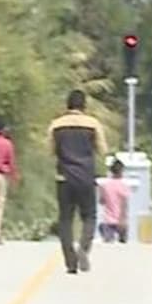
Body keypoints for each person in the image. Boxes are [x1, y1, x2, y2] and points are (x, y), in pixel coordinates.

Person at [47, 90, 108, 274]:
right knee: (89, 216)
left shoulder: (56, 125)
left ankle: (70, 262)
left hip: (64, 178)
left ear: (67, 104)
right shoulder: (93, 124)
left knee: (65, 219)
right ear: (84, 105)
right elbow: (103, 150)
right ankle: (83, 248)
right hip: (86, 177)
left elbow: (49, 150)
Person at [98, 159, 131, 243]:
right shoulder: (123, 186)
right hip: (120, 220)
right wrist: (122, 220)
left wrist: (101, 192)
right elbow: (124, 204)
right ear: (121, 171)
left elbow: (101, 201)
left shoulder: (105, 185)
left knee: (108, 244)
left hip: (108, 220)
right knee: (122, 245)